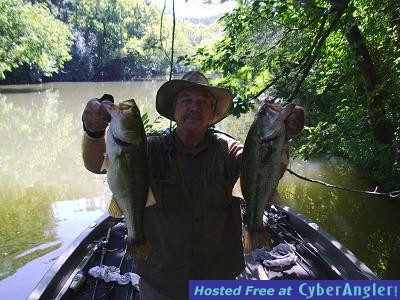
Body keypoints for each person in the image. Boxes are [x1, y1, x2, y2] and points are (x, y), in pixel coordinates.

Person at [82, 71, 245, 300]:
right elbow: (94, 164)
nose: (194, 107)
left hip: (219, 281)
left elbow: (261, 167)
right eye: (186, 100)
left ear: (212, 114)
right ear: (174, 110)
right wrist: (93, 131)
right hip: (162, 283)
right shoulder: (147, 150)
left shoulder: (228, 151)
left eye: (202, 102)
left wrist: (280, 139)